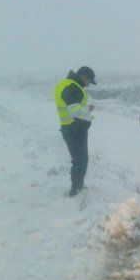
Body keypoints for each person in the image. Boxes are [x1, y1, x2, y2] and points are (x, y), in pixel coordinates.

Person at [54, 66, 96, 196]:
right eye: (89, 81)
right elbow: (75, 110)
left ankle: (78, 185)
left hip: (70, 127)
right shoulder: (73, 87)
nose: (88, 84)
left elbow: (71, 107)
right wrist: (89, 109)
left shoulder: (66, 84)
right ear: (84, 76)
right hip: (75, 129)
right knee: (80, 160)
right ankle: (76, 189)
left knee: (79, 159)